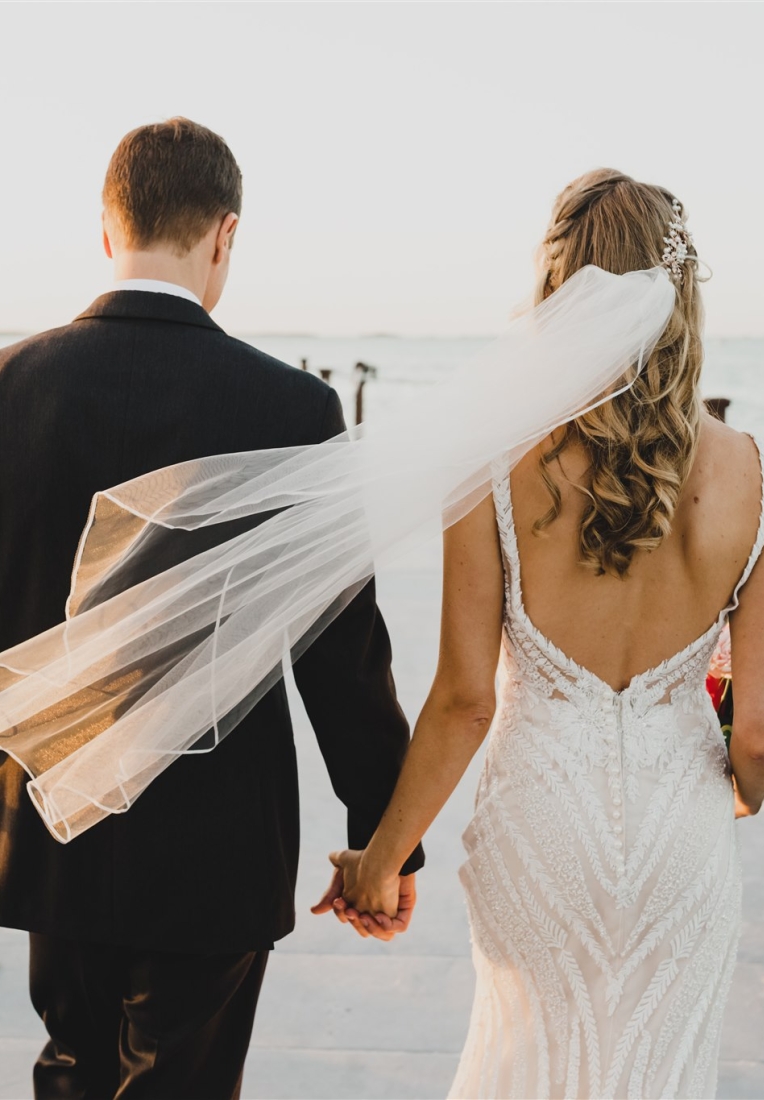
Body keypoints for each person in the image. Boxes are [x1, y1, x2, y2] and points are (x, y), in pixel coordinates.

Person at [0, 117, 422, 1100]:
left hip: (51, 823)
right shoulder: (290, 410)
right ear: (224, 234)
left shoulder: (8, 387)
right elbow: (343, 651)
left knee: (68, 1070)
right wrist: (384, 835)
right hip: (217, 843)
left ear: (108, 229)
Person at [331, 170, 764, 1098]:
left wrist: (379, 862)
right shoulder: (755, 477)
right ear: (681, 295)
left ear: (560, 295)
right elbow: (762, 736)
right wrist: (735, 793)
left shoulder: (492, 460)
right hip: (679, 837)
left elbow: (461, 701)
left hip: (539, 824)